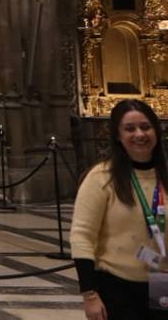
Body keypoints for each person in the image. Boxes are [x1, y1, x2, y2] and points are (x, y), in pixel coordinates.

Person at [72, 99, 168, 319]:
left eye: (145, 127)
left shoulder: (165, 176)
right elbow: (82, 236)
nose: (139, 134)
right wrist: (90, 295)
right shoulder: (102, 177)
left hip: (161, 282)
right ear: (118, 135)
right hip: (116, 287)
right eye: (129, 129)